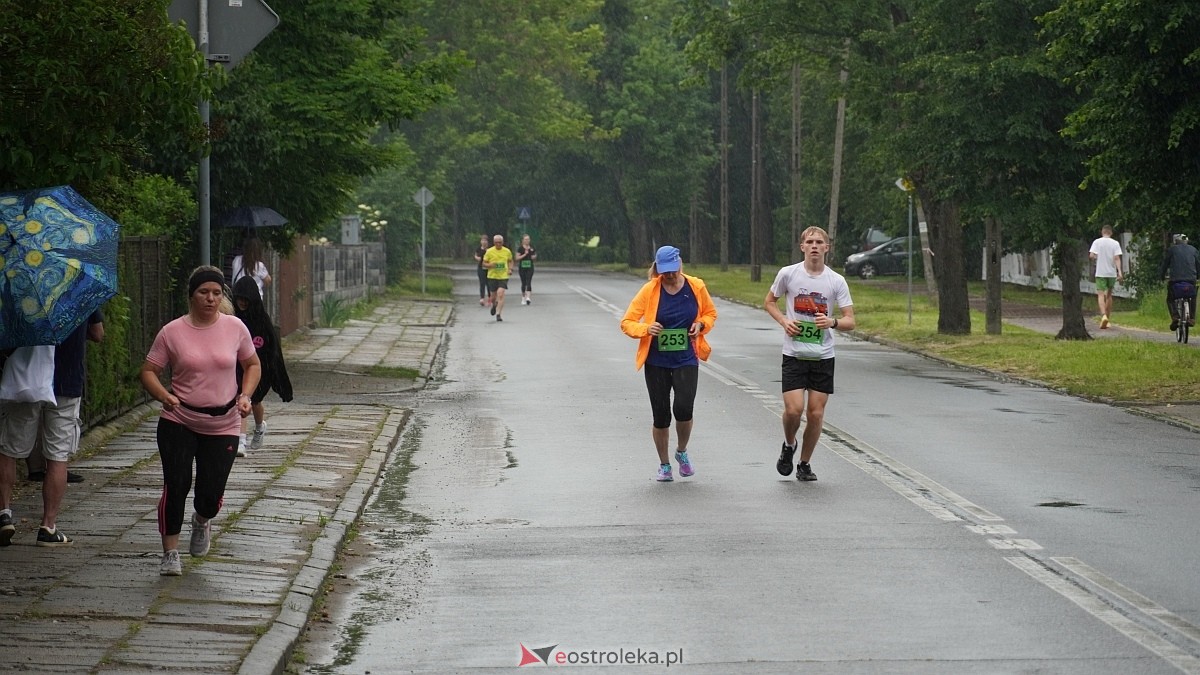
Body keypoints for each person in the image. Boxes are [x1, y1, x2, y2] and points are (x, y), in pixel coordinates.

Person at [140, 266, 261, 576]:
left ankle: (202, 520)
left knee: (210, 494)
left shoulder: (235, 328)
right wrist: (163, 395)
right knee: (176, 484)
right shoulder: (172, 332)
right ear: (191, 295)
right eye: (204, 292)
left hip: (223, 424)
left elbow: (252, 364)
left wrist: (245, 395)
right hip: (179, 420)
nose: (210, 298)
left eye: (216, 293)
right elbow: (148, 371)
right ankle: (170, 553)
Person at [0, 311, 105, 547]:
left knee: (8, 449)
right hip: (65, 381)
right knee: (57, 456)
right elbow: (98, 334)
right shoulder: (79, 288)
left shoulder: (23, 286)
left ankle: (3, 514)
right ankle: (48, 527)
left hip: (27, 380)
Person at [764, 226, 855, 482]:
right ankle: (788, 444)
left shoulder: (836, 281)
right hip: (794, 353)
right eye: (810, 242)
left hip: (822, 355)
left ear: (827, 248)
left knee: (815, 413)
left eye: (819, 242)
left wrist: (832, 322)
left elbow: (851, 320)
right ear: (802, 247)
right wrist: (784, 321)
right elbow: (769, 301)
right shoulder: (788, 274)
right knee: (794, 410)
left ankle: (804, 463)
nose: (814, 246)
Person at [620, 245, 717, 482]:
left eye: (673, 270)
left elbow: (710, 314)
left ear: (680, 265)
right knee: (661, 415)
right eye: (665, 272)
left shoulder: (696, 286)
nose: (670, 275)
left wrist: (700, 326)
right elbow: (627, 322)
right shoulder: (650, 290)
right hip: (657, 360)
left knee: (684, 409)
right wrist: (646, 328)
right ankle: (664, 465)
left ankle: (681, 451)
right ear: (657, 269)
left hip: (686, 357)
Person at [231, 276, 294, 457]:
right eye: (239, 299)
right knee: (241, 399)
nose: (242, 303)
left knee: (255, 401)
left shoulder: (263, 321)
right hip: (238, 368)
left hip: (260, 369)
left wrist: (277, 378)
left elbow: (274, 352)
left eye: (245, 299)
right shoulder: (233, 320)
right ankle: (240, 441)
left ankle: (259, 427)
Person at [1161, 233, 1200, 331]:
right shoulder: (1194, 250)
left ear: (1175, 242)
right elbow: (1198, 265)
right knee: (1193, 296)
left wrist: (1162, 276)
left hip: (1175, 281)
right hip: (1191, 280)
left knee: (1170, 299)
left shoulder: (1172, 250)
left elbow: (1165, 265)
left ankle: (1175, 316)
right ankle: (1191, 318)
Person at [1088, 225, 1124, 329]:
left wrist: (1096, 257)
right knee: (1109, 295)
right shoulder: (1115, 243)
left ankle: (1103, 316)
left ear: (1102, 232)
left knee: (1100, 295)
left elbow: (1091, 255)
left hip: (1100, 272)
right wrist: (1120, 272)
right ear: (1111, 233)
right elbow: (1117, 258)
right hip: (1111, 273)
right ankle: (1108, 319)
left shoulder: (1097, 242)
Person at [482, 234, 514, 322]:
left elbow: (510, 261)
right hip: (492, 276)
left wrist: (510, 269)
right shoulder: (489, 251)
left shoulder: (507, 251)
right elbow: (483, 264)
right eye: (496, 243)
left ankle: (498, 314)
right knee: (493, 296)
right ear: (494, 243)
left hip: (503, 276)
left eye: (500, 242)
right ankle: (494, 304)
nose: (498, 244)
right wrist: (490, 265)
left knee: (500, 293)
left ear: (503, 242)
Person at [515, 234, 538, 305]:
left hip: (530, 267)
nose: (527, 241)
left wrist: (534, 257)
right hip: (522, 267)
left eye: (528, 239)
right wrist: (524, 254)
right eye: (526, 239)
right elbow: (517, 258)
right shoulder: (520, 248)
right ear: (523, 240)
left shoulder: (532, 248)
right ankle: (523, 297)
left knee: (529, 281)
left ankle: (528, 297)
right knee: (523, 283)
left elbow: (534, 256)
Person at [474, 234, 491, 307]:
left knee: (489, 284)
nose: (484, 242)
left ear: (487, 242)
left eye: (485, 240)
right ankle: (482, 298)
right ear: (481, 241)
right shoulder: (478, 249)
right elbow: (476, 256)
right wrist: (477, 258)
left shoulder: (490, 249)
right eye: (482, 240)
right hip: (481, 268)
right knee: (482, 283)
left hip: (489, 268)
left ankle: (490, 298)